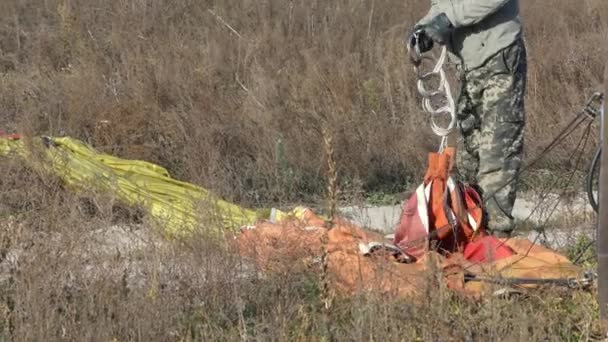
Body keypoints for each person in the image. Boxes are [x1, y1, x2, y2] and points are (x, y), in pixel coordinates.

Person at [408, 0, 527, 237]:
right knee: (468, 157)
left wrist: (448, 19)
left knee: (497, 153)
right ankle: (475, 233)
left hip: (499, 57)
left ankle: (498, 238)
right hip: (468, 66)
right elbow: (443, 4)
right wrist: (424, 27)